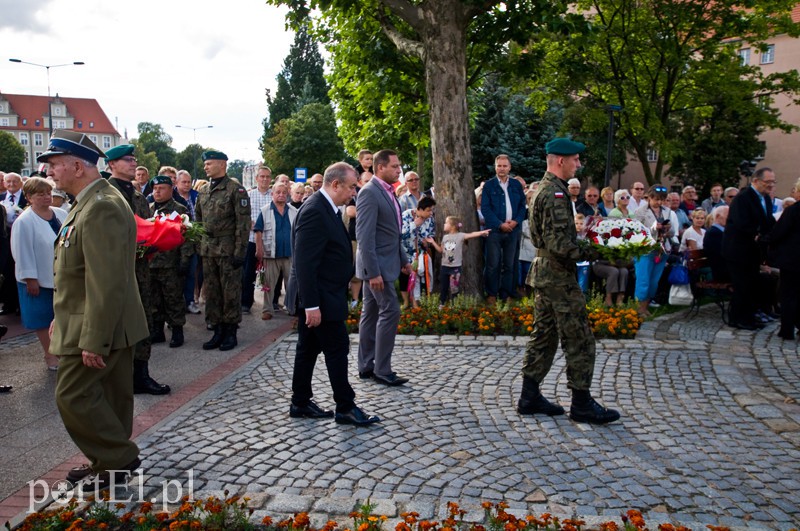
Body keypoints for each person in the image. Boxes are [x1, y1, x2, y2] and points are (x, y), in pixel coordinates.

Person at [40, 130, 148, 491]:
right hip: (94, 320)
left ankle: (118, 457)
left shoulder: (101, 204)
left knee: (72, 394)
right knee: (113, 399)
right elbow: (79, 274)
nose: (50, 172)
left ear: (75, 165)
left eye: (54, 165)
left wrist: (94, 340)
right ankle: (109, 465)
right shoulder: (90, 200)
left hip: (99, 323)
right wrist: (60, 316)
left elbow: (106, 280)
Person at [519, 137, 619, 424]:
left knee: (545, 335)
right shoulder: (556, 195)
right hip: (558, 276)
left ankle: (529, 396)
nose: (579, 163)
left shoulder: (544, 189)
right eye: (575, 159)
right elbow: (560, 244)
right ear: (560, 161)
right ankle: (582, 403)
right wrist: (598, 247)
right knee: (579, 338)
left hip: (545, 273)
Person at [288, 162, 380, 426]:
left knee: (307, 348)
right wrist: (312, 306)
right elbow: (305, 263)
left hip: (326, 295)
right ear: (336, 184)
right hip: (321, 298)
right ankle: (345, 407)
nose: (354, 192)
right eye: (352, 187)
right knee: (337, 348)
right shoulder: (315, 210)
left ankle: (300, 401)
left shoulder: (328, 207)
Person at [105, 145, 170, 395]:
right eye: (127, 160)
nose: (134, 164)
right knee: (116, 322)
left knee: (143, 320)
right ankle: (116, 378)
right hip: (115, 270)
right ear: (112, 165)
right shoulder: (106, 195)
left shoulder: (139, 196)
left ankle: (140, 375)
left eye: (134, 160)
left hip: (140, 269)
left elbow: (146, 229)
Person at [355, 149, 412, 387]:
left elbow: (393, 233)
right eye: (395, 166)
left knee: (371, 314)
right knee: (391, 311)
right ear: (380, 168)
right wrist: (373, 272)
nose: (399, 170)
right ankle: (382, 369)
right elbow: (365, 237)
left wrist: (404, 259)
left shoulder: (388, 192)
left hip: (387, 263)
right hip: (377, 268)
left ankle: (367, 365)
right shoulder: (370, 193)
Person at [9, 176, 68, 370]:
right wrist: (30, 279)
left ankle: (62, 351)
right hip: (37, 279)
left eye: (48, 193)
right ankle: (50, 355)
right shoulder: (24, 221)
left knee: (60, 316)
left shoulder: (60, 213)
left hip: (61, 276)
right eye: (40, 194)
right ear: (29, 197)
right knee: (42, 318)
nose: (46, 197)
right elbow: (21, 252)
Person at [195, 150, 250, 350]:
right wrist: (199, 245)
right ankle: (217, 329)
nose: (205, 167)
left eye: (209, 163)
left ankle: (230, 331)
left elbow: (243, 225)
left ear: (222, 165)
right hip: (208, 250)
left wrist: (240, 252)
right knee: (212, 292)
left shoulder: (236, 190)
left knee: (230, 292)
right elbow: (198, 221)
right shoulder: (203, 191)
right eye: (205, 164)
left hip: (228, 250)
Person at [723, 168, 777, 330]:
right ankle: (738, 319)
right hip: (738, 250)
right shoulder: (744, 198)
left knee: (751, 284)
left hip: (752, 251)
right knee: (742, 285)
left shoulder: (765, 199)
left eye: (773, 182)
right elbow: (741, 223)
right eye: (768, 182)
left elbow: (768, 221)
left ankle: (749, 316)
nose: (771, 186)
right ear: (755, 181)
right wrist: (757, 233)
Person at [149, 176, 193, 348]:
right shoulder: (149, 208)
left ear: (171, 189)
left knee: (173, 298)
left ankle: (177, 331)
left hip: (171, 262)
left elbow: (187, 237)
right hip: (152, 262)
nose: (157, 192)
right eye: (155, 188)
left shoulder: (179, 210)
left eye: (161, 188)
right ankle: (158, 331)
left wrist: (185, 260)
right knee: (155, 299)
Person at [480, 154, 527, 304]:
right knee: (493, 263)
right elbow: (486, 209)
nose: (501, 168)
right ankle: (492, 294)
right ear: (495, 167)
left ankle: (507, 294)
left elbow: (522, 206)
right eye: (499, 166)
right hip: (494, 230)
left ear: (509, 167)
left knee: (510, 263)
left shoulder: (516, 185)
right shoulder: (489, 185)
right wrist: (500, 224)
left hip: (513, 230)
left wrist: (515, 222)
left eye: (504, 166)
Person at [254, 182, 297, 321]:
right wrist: (259, 249)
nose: (281, 195)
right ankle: (267, 310)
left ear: (288, 194)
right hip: (270, 254)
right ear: (272, 194)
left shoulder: (293, 211)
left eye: (284, 192)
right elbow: (258, 231)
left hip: (289, 254)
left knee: (291, 283)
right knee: (268, 284)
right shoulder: (265, 210)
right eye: (278, 192)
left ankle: (291, 308)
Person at [425, 215, 489, 306]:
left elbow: (471, 234)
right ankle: (442, 304)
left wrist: (481, 232)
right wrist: (433, 242)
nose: (444, 224)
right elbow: (441, 250)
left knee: (454, 288)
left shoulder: (460, 236)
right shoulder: (445, 237)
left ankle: (454, 305)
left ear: (453, 226)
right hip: (444, 267)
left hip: (455, 268)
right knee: (444, 287)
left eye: (446, 223)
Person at [633, 185, 674, 317]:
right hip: (645, 250)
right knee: (643, 280)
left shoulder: (667, 211)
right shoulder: (640, 212)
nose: (659, 202)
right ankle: (639, 309)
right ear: (649, 198)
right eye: (656, 199)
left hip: (661, 250)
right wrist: (654, 227)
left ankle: (646, 307)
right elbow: (636, 232)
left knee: (654, 281)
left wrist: (667, 229)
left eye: (662, 199)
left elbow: (673, 232)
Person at [769, 178, 800, 340]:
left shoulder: (793, 211)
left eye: (795, 190)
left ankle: (787, 330)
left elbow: (778, 233)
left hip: (793, 260)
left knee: (788, 295)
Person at [243, 165, 272, 315]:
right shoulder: (249, 195)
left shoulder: (274, 195)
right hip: (252, 239)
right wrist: (249, 223)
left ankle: (271, 303)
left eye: (267, 177)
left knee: (271, 273)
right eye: (262, 176)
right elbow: (243, 215)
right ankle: (246, 302)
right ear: (257, 178)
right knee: (249, 272)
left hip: (269, 239)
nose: (265, 179)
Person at [399, 197, 436, 308]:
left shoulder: (430, 219)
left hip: (419, 253)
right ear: (420, 209)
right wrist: (414, 224)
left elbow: (431, 233)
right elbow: (400, 234)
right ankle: (405, 302)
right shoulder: (406, 215)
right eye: (428, 210)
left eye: (432, 210)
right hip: (404, 252)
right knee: (404, 276)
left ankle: (416, 302)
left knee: (417, 278)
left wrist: (427, 241)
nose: (431, 213)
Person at [175, 170, 201, 314]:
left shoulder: (196, 196)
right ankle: (178, 302)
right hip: (176, 242)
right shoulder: (173, 197)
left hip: (192, 241)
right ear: (177, 183)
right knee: (178, 273)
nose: (187, 185)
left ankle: (190, 301)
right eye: (183, 182)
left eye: (189, 182)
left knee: (192, 272)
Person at [703, 205, 729, 282]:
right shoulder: (714, 233)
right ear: (718, 216)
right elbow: (721, 255)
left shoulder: (721, 232)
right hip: (722, 271)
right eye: (728, 216)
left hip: (728, 268)